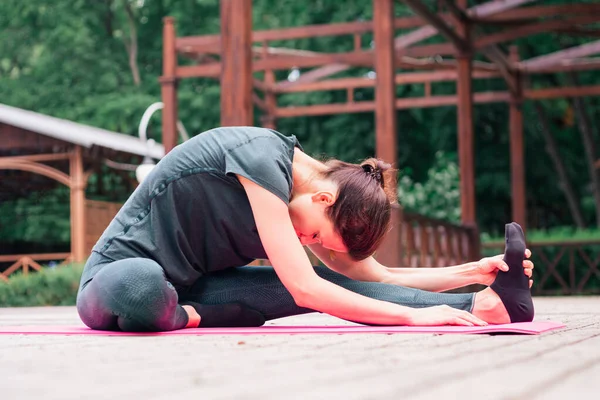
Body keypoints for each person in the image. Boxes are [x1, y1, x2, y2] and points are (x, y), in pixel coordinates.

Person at [76, 127, 534, 332]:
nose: (308, 242)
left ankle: (487, 307)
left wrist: (475, 272)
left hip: (196, 290)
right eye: (316, 235)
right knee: (141, 286)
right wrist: (412, 316)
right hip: (113, 279)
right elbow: (303, 288)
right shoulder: (258, 159)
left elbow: (378, 278)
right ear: (323, 198)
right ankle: (180, 317)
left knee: (337, 284)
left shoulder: (315, 205)